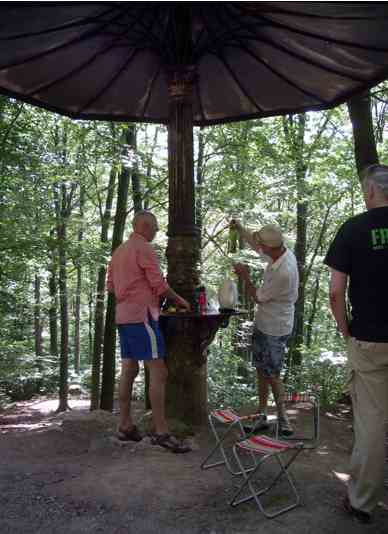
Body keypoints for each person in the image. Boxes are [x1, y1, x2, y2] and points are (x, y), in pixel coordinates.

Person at [324, 163, 388, 524]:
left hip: (369, 340)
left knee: (372, 424)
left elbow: (336, 292)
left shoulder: (353, 229)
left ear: (369, 192)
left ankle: (362, 502)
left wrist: (345, 330)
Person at [107, 210, 191, 453]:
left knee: (129, 369)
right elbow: (159, 285)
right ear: (144, 226)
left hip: (123, 316)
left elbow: (111, 286)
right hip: (142, 317)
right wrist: (181, 301)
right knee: (159, 370)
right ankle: (162, 432)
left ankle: (125, 424)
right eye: (154, 228)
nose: (156, 232)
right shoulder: (143, 248)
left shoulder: (119, 251)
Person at [230, 220, 299, 436]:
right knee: (261, 368)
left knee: (273, 373)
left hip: (275, 327)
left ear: (270, 247)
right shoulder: (279, 252)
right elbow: (256, 244)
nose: (259, 248)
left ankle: (284, 419)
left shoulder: (284, 271)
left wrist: (245, 276)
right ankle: (262, 415)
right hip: (264, 323)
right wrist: (240, 229)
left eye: (262, 246)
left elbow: (258, 297)